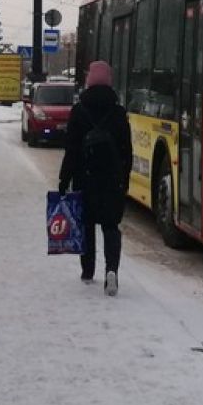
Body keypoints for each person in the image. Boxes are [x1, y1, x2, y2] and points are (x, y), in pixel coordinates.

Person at [58, 60, 133, 297]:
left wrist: (64, 179)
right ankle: (112, 270)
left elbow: (71, 149)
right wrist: (124, 179)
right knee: (111, 226)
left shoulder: (79, 111)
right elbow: (126, 151)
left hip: (85, 178)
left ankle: (87, 271)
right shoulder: (119, 113)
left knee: (86, 225)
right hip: (111, 180)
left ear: (89, 80)